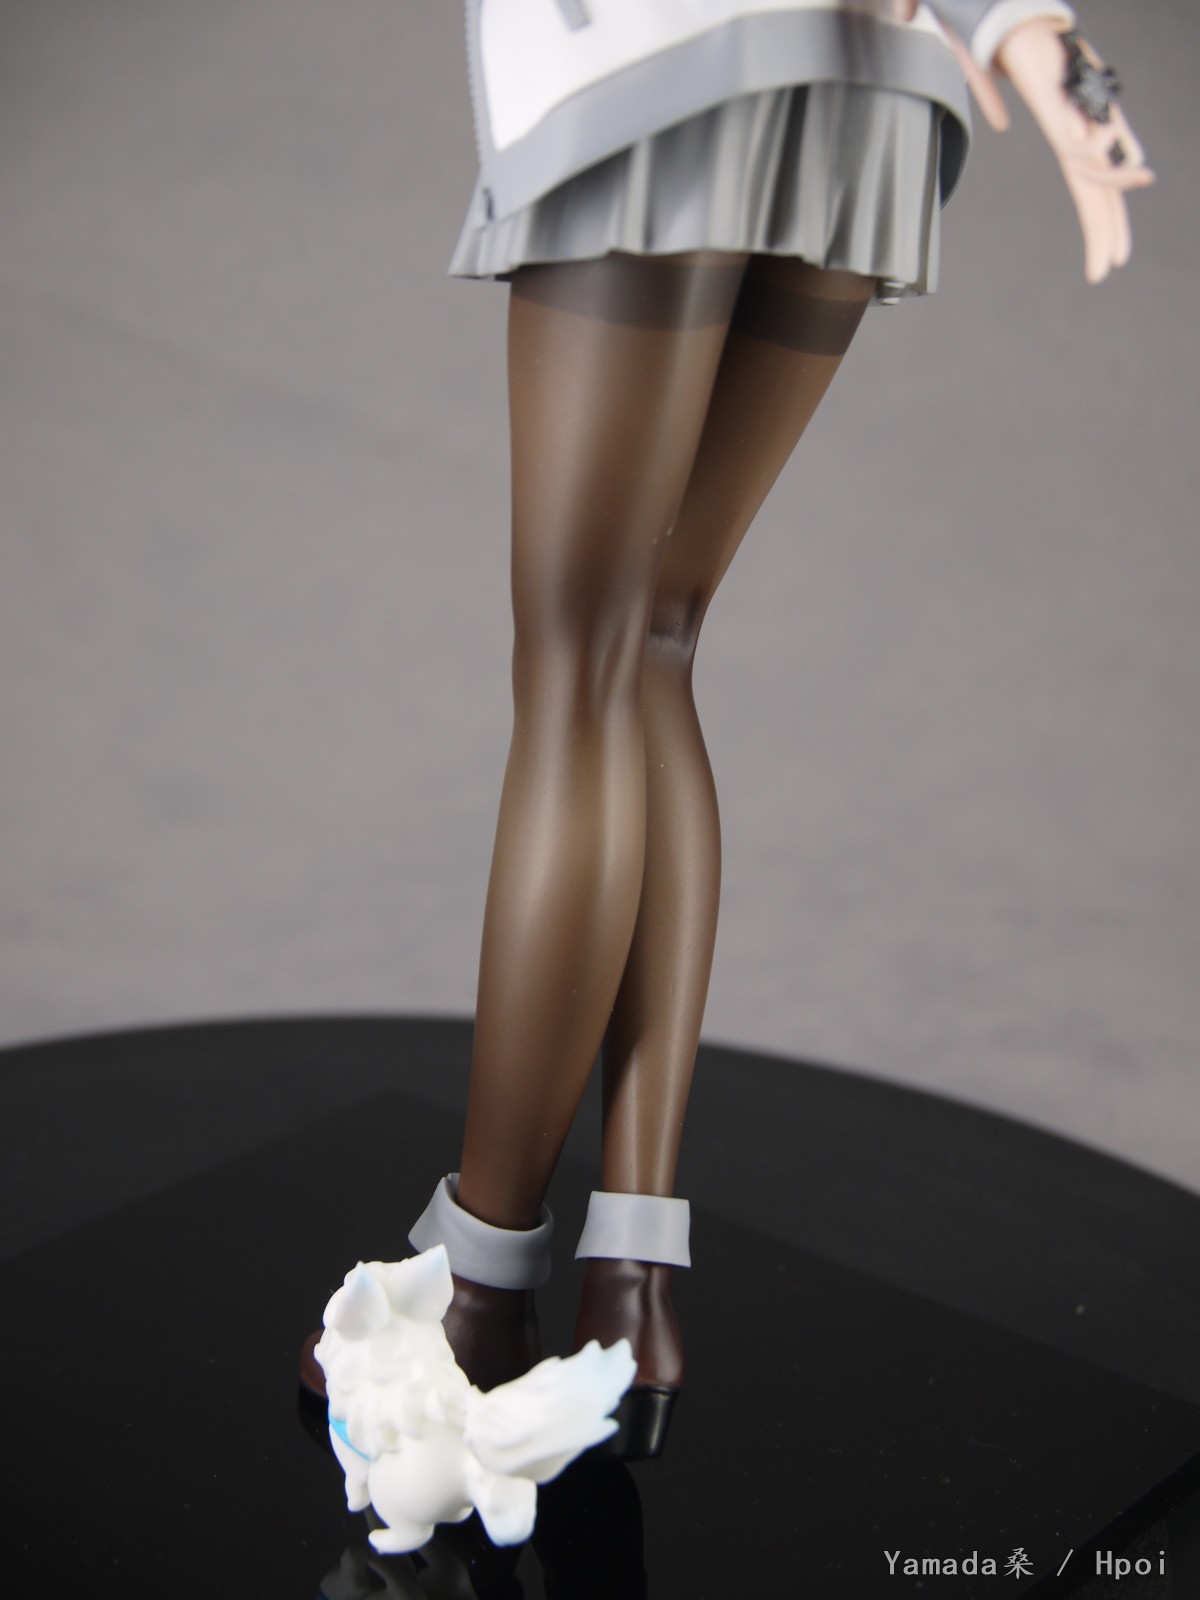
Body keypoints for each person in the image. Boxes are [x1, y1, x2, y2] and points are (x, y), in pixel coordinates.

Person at [306, 0, 1153, 1461]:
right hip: (869, 106)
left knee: (581, 660)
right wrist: (1025, 31)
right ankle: (634, 1278)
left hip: (659, 65)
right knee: (655, 643)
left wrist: (1021, 32)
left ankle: (476, 1282)